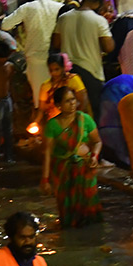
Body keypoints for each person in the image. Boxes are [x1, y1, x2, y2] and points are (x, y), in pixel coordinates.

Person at [41, 85, 102, 227]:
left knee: (89, 205)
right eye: (67, 101)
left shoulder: (84, 119)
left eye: (73, 100)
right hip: (63, 172)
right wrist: (45, 179)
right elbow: (47, 153)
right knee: (67, 206)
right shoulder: (52, 125)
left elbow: (97, 142)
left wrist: (94, 156)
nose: (72, 103)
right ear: (58, 105)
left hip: (85, 170)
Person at [53, 0, 115, 115]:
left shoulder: (63, 18)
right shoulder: (98, 20)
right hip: (91, 72)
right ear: (97, 4)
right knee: (94, 114)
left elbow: (56, 44)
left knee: (69, 112)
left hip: (69, 73)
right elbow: (108, 47)